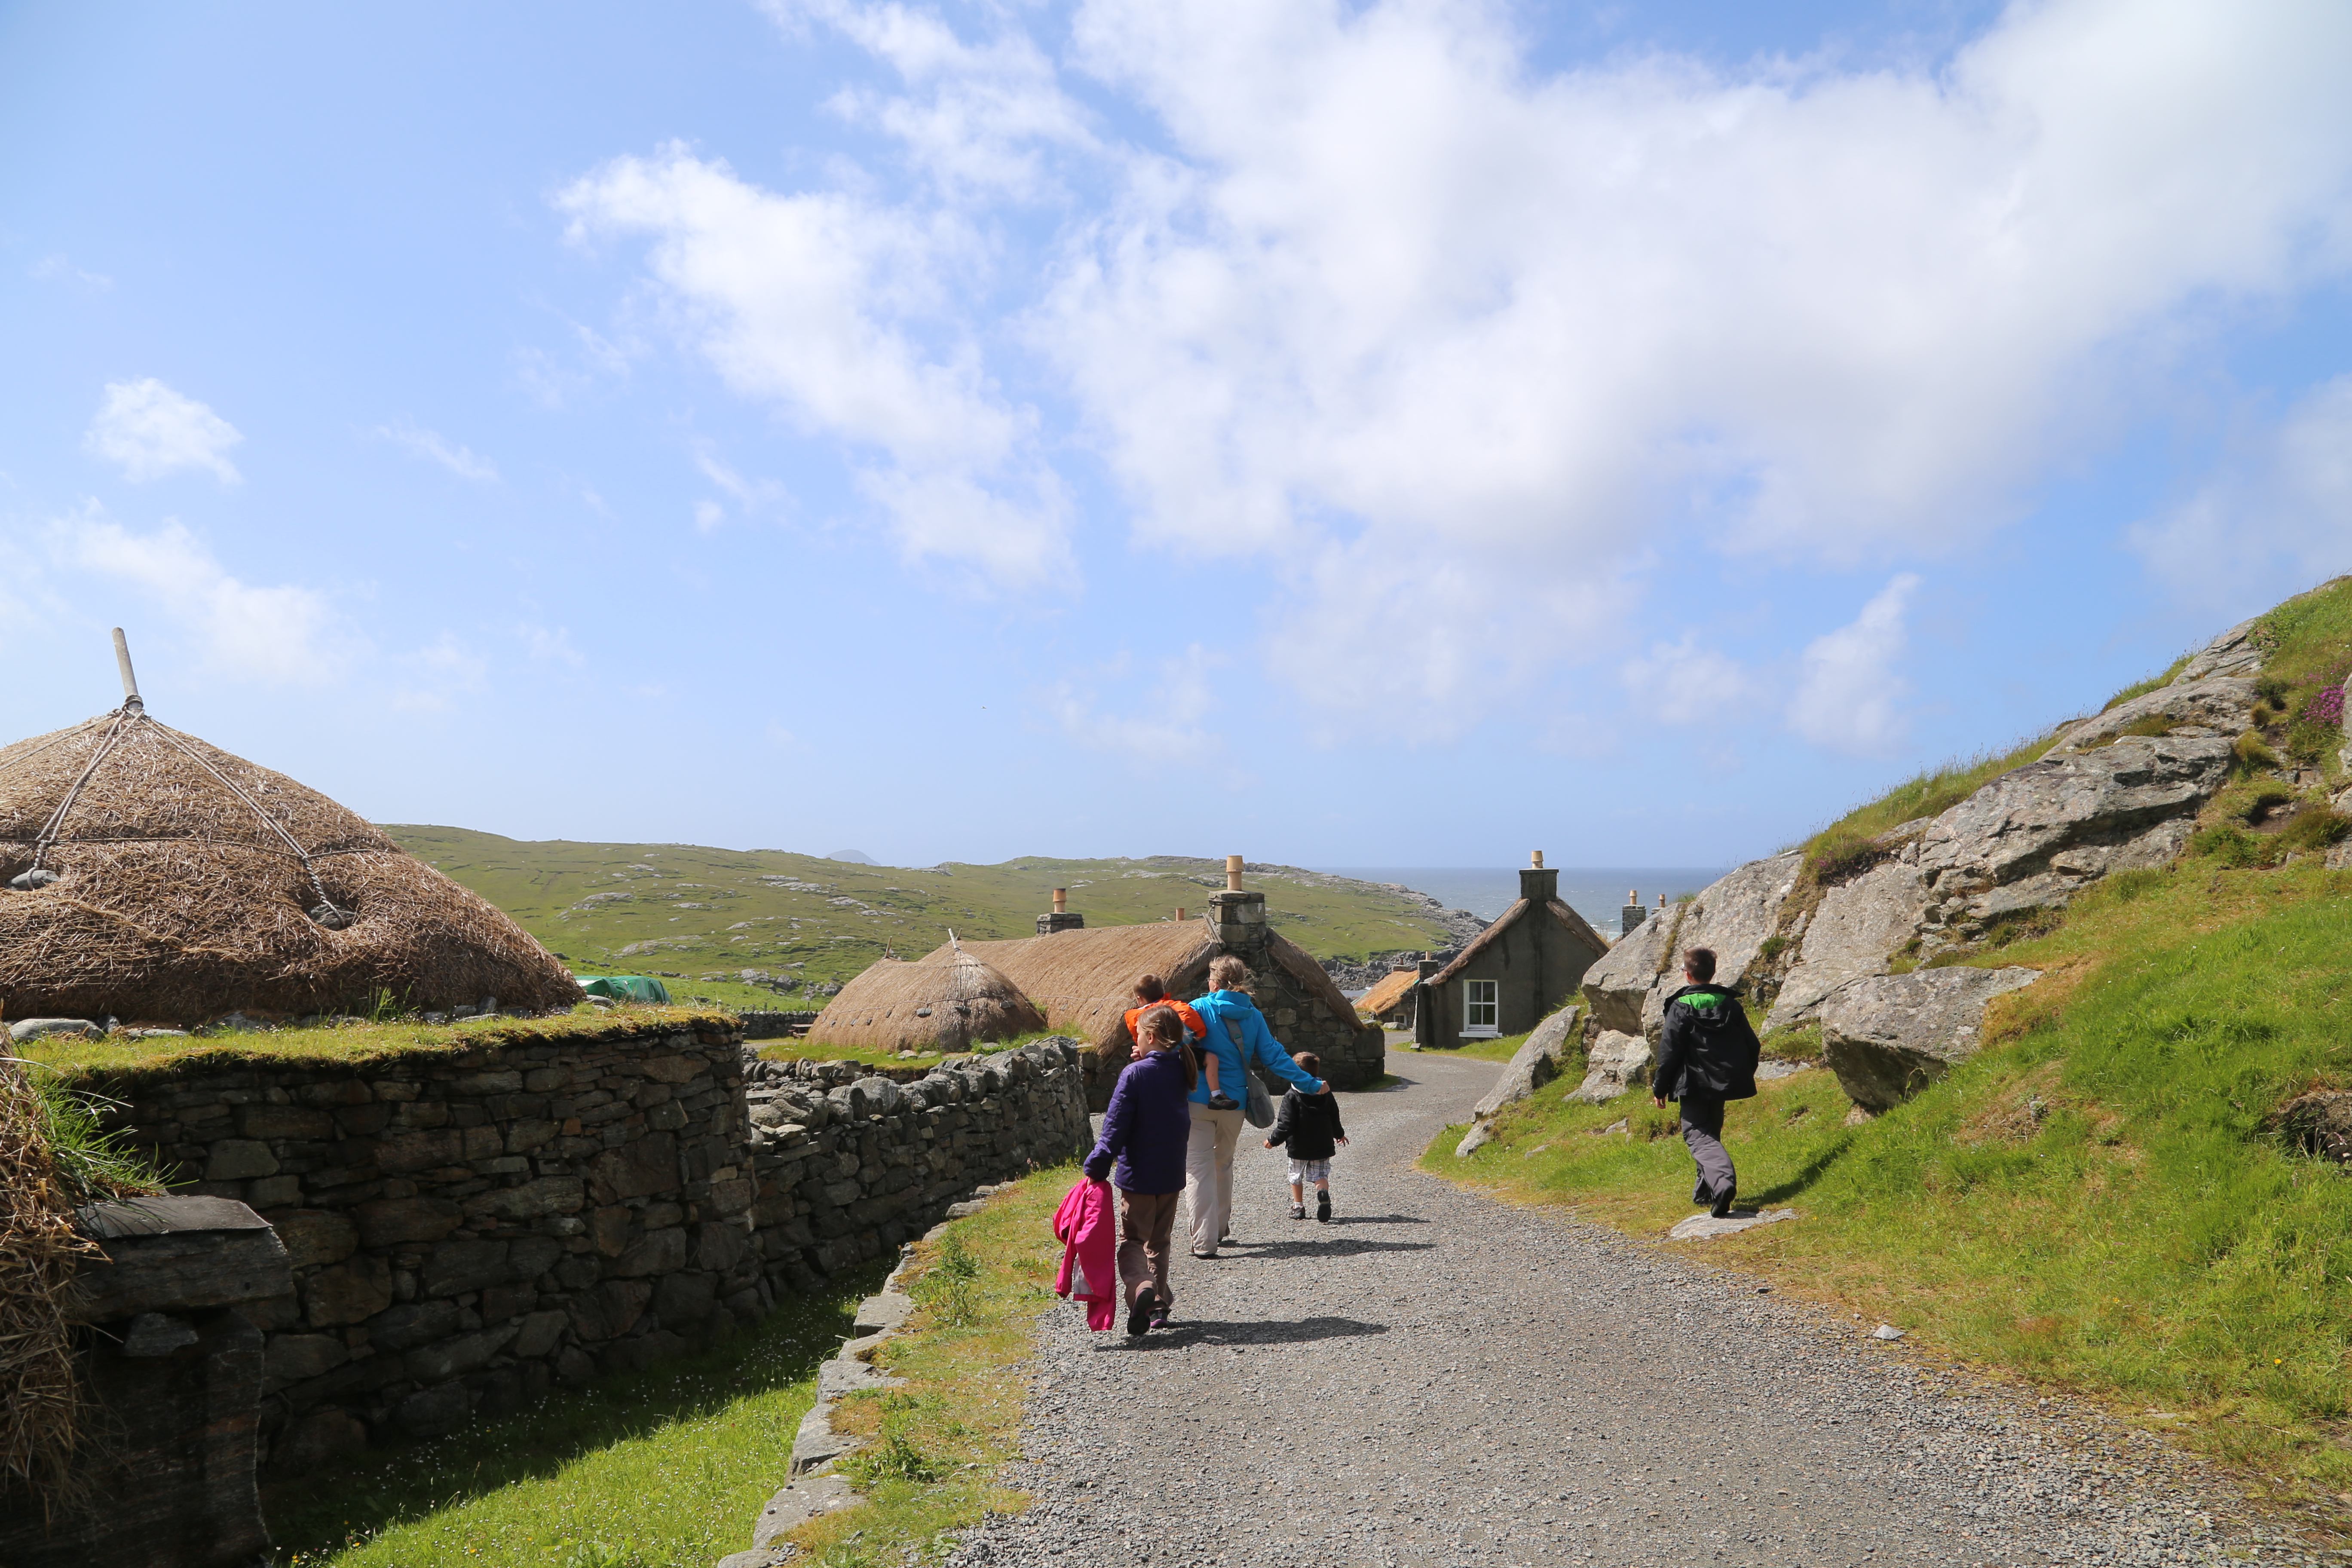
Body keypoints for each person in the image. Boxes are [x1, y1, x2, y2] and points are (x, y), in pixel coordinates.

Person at [1185, 955, 1327, 1259]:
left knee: (1198, 1169)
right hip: (1235, 1104)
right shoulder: (1253, 1016)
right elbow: (1275, 1058)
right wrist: (1312, 1085)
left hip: (1197, 1099)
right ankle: (1221, 1228)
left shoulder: (1197, 1009)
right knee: (1222, 1164)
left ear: (1214, 981)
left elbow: (1175, 1047)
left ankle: (1204, 1241)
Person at [1084, 1003, 1197, 1334]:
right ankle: (1158, 1307)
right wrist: (1145, 1060)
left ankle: (1141, 1289)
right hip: (1172, 1174)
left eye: (1138, 1035)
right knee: (1159, 1242)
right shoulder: (1182, 1068)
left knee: (1132, 1241)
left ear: (1149, 1036)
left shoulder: (1134, 1075)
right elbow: (1158, 1083)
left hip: (1139, 1177)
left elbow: (1115, 1127)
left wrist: (1097, 1166)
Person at [1651, 946, 1762, 1219]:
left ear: (1687, 975)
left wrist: (1660, 1088)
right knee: (1710, 1134)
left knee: (1697, 1135)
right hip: (1722, 1083)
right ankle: (1706, 1193)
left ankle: (1723, 1184)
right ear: (1713, 973)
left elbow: (1669, 1052)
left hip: (1693, 1084)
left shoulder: (1680, 1007)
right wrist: (1742, 1073)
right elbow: (1752, 1045)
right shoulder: (1730, 1005)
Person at [1263, 1050, 1348, 1222]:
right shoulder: (1326, 1093)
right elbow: (1334, 1117)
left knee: (1296, 1175)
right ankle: (1322, 1194)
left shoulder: (1292, 1096)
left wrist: (1273, 1140)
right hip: (1322, 1145)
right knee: (1320, 1175)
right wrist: (1340, 1135)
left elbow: (1286, 1124)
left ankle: (1298, 1206)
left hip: (1299, 1146)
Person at [1123, 975, 1222, 1109]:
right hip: (1184, 1052)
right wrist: (1199, 1035)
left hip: (1158, 1057)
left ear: (1139, 998)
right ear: (1163, 992)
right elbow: (1195, 1021)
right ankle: (1216, 1095)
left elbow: (1138, 1038)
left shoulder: (1134, 1017)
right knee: (1212, 1059)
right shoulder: (1178, 1007)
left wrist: (1143, 1052)